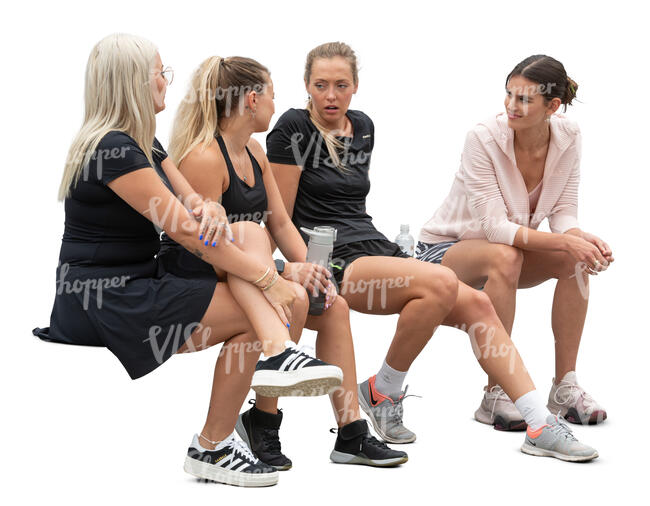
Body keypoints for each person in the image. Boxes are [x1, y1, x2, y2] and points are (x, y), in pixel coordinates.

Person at [267, 41, 599, 462]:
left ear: (355, 87)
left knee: (477, 304)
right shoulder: (294, 127)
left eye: (341, 85)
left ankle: (538, 423)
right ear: (306, 86)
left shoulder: (362, 125)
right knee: (442, 279)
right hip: (330, 259)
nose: (330, 95)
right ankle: (382, 392)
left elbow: (353, 207)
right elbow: (278, 217)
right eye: (320, 85)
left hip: (374, 245)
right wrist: (303, 269)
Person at [39, 33, 343, 487]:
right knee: (260, 300)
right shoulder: (113, 149)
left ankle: (254, 390)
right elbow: (184, 232)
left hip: (144, 281)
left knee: (245, 233)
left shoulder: (147, 145)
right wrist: (273, 275)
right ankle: (219, 437)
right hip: (102, 301)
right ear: (134, 82)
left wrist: (212, 207)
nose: (166, 81)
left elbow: (192, 207)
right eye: (160, 72)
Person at [160, 55, 408, 468]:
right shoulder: (205, 157)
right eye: (273, 95)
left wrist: (311, 270)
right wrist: (283, 272)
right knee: (285, 289)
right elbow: (206, 248)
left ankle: (351, 433)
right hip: (198, 272)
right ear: (253, 99)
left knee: (334, 305)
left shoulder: (254, 150)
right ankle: (264, 421)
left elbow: (278, 220)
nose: (277, 104)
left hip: (245, 267)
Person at [417, 55, 611, 429]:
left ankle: (565, 387)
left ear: (552, 107)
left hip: (509, 254)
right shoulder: (483, 138)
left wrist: (580, 240)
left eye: (524, 100)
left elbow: (564, 211)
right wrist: (563, 242)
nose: (510, 106)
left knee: (577, 261)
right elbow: (494, 228)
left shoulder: (569, 136)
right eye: (508, 95)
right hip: (443, 252)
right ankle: (496, 392)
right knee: (505, 255)